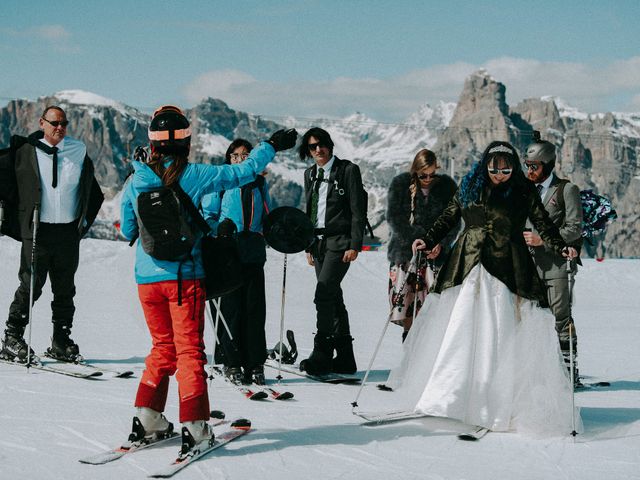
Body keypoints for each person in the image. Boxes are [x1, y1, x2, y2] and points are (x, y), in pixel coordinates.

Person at [120, 105, 296, 450]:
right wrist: (271, 145)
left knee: (161, 348)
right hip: (186, 278)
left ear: (152, 143)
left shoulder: (135, 179)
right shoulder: (196, 174)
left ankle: (148, 419)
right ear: (186, 141)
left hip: (146, 279)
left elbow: (127, 229)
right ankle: (196, 426)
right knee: (189, 352)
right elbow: (243, 172)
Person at [385, 140, 580, 436]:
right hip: (468, 262)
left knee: (498, 328)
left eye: (505, 168)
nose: (499, 173)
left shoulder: (523, 191)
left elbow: (543, 224)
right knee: (461, 327)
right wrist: (428, 237)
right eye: (493, 168)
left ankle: (494, 402)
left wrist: (560, 246)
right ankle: (450, 397)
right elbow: (449, 216)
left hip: (507, 265)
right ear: (484, 165)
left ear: (513, 167)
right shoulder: (469, 186)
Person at [0, 105, 103, 363]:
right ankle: (12, 337)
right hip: (38, 231)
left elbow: (90, 187)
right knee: (31, 285)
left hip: (67, 232)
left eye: (64, 124)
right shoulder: (26, 151)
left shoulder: (78, 150)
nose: (60, 128)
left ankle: (61, 340)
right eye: (54, 123)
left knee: (65, 289)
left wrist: (83, 222)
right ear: (42, 123)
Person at [202, 139, 271, 386]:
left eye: (245, 155)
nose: (241, 159)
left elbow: (267, 215)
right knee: (230, 307)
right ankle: (231, 361)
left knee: (254, 309)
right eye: (236, 155)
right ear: (229, 159)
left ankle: (255, 363)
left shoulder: (259, 183)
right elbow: (208, 215)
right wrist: (218, 230)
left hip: (253, 250)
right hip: (227, 250)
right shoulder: (220, 183)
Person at [298, 127, 367, 376]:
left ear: (330, 145)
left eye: (321, 144)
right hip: (318, 244)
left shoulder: (347, 170)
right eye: (312, 147)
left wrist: (354, 244)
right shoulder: (309, 174)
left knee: (324, 294)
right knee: (334, 298)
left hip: (340, 242)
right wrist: (308, 245)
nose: (318, 150)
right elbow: (309, 210)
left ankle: (323, 354)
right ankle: (346, 358)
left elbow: (358, 210)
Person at [523, 132, 583, 384]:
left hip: (557, 267)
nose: (529, 170)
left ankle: (570, 372)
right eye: (526, 165)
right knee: (531, 319)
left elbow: (574, 227)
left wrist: (543, 240)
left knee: (561, 317)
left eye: (534, 166)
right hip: (527, 267)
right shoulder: (524, 191)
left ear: (547, 165)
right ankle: (539, 371)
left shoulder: (566, 189)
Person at [386, 149, 457, 342]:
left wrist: (439, 243)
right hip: (405, 256)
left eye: (432, 175)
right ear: (415, 171)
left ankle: (427, 354)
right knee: (407, 307)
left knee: (431, 307)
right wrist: (416, 239)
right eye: (423, 175)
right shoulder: (401, 184)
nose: (427, 179)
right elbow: (394, 218)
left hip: (436, 258)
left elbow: (454, 220)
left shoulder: (447, 187)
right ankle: (408, 350)